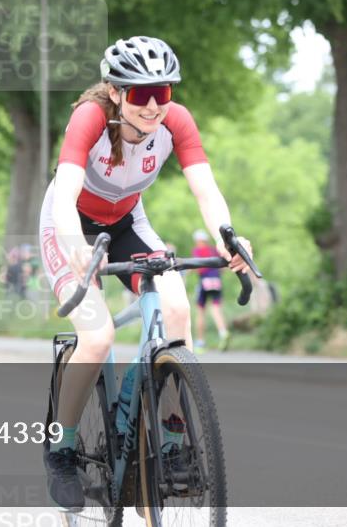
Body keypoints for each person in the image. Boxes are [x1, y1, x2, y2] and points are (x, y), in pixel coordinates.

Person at [38, 36, 253, 510]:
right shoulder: (89, 118)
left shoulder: (175, 122)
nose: (154, 105)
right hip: (69, 222)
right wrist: (75, 248)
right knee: (96, 339)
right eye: (140, 94)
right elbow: (67, 191)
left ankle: (171, 443)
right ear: (116, 92)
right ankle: (63, 447)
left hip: (128, 223)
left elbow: (206, 188)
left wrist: (227, 236)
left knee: (176, 309)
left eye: (164, 92)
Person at [191, 229, 231, 351]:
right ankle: (223, 333)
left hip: (204, 282)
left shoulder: (198, 251)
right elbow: (223, 268)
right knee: (216, 309)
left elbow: (198, 268)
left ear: (198, 241)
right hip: (216, 281)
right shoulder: (214, 251)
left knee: (200, 311)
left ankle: (200, 342)